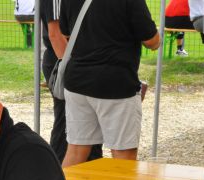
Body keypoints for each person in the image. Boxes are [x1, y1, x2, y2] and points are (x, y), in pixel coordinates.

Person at [59, 0, 159, 168]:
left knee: (76, 150)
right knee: (123, 155)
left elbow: (66, 32)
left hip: (78, 81)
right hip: (116, 84)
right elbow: (151, 40)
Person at [39, 0, 102, 164]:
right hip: (65, 61)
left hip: (79, 62)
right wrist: (73, 66)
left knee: (89, 124)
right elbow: (55, 34)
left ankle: (91, 170)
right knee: (67, 125)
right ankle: (59, 177)